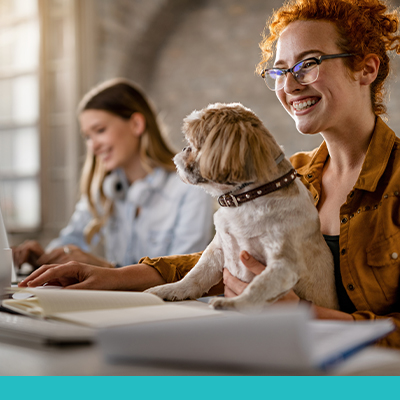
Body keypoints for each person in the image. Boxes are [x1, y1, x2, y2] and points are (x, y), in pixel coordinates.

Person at [19, 0, 400, 347]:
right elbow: (219, 255)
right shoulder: (294, 176)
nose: (289, 84)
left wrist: (310, 316)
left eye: (309, 63)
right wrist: (111, 278)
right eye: (279, 70)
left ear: (366, 68)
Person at [13, 78, 214, 271]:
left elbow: (183, 274)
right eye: (87, 137)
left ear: (136, 124)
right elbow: (70, 242)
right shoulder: (106, 188)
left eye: (99, 130)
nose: (93, 145)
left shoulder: (191, 189)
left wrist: (106, 270)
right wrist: (43, 258)